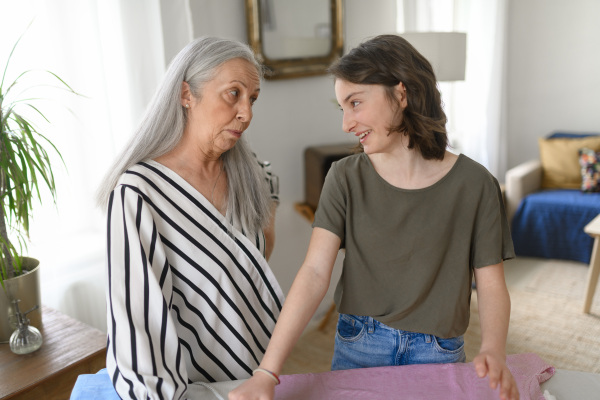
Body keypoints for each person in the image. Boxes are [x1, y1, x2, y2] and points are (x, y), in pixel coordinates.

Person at [230, 34, 519, 400]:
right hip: (359, 346)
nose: (346, 124)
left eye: (355, 103)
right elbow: (315, 273)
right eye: (342, 109)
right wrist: (267, 372)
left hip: (439, 352)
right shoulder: (345, 178)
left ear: (401, 94)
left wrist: (493, 349)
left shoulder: (476, 184)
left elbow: (491, 284)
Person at [95, 36, 284, 400]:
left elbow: (251, 267)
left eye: (253, 98)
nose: (247, 113)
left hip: (261, 375)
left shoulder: (253, 173)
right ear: (186, 94)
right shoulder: (139, 192)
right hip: (188, 386)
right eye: (234, 93)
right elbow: (138, 321)